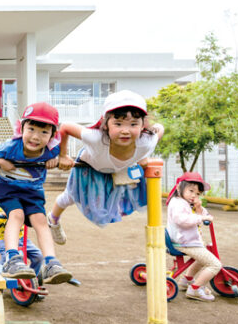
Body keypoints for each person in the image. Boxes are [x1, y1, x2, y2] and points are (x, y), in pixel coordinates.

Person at [48, 90, 165, 242]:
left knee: (124, 193)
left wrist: (143, 156)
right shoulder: (96, 138)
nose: (125, 130)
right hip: (89, 167)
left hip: (118, 168)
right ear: (105, 124)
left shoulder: (146, 142)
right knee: (70, 196)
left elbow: (160, 128)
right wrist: (63, 155)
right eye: (118, 123)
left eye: (133, 124)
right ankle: (53, 220)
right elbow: (65, 127)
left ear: (143, 125)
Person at [0, 102, 71, 283]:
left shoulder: (51, 150)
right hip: (8, 190)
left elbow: (63, 145)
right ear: (21, 128)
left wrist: (59, 157)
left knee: (41, 220)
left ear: (53, 135)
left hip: (32, 192)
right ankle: (12, 259)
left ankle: (51, 263)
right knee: (17, 215)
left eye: (44, 132)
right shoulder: (11, 146)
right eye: (31, 129)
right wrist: (1, 162)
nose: (35, 137)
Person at [166, 172, 221, 302]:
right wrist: (201, 218)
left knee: (202, 258)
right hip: (184, 242)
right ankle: (195, 289)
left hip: (188, 241)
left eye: (197, 194)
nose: (194, 196)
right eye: (191, 191)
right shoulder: (178, 203)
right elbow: (182, 220)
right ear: (179, 188)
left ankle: (187, 280)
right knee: (214, 264)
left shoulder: (186, 202)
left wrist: (199, 208)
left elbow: (204, 215)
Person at [0, 200, 43, 278]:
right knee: (6, 258)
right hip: (3, 240)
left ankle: (31, 277)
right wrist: (3, 215)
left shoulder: (21, 200)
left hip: (21, 239)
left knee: (38, 256)